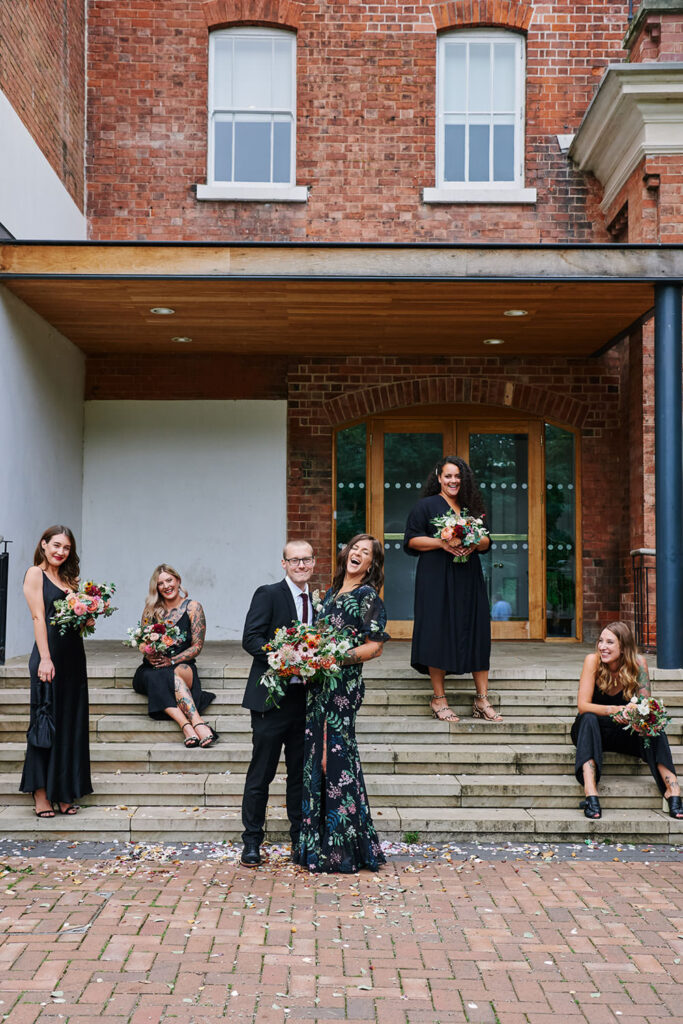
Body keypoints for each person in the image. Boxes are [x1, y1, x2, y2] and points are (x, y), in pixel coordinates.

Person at [299, 533, 389, 874]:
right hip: (318, 686)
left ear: (370, 565)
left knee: (335, 758)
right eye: (355, 548)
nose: (358, 554)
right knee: (316, 759)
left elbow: (375, 646)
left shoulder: (367, 596)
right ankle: (317, 846)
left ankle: (342, 850)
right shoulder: (331, 592)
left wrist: (336, 658)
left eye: (366, 553)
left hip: (342, 686)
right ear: (346, 554)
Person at [403, 456, 501, 723]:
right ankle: (439, 698)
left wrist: (473, 540)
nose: (453, 481)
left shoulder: (471, 507)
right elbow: (411, 540)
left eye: (458, 476)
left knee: (477, 629)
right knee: (438, 630)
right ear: (438, 477)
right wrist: (442, 542)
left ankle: (482, 699)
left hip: (468, 576)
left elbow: (487, 541)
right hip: (435, 577)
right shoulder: (426, 506)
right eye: (448, 476)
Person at [240, 540, 316, 867]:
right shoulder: (268, 593)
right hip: (271, 699)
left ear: (313, 562)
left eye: (306, 560)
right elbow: (251, 638)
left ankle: (299, 840)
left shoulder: (318, 600)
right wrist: (283, 657)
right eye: (294, 560)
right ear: (283, 564)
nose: (301, 565)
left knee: (299, 775)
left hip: (305, 700)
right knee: (262, 773)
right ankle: (252, 841)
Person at [572, 621, 683, 820]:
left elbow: (646, 706)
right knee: (588, 717)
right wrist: (615, 710)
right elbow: (583, 706)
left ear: (623, 647)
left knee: (652, 723)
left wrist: (635, 714)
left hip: (624, 731)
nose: (602, 647)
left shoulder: (639, 663)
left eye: (609, 642)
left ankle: (672, 789)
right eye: (600, 641)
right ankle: (591, 793)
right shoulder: (593, 661)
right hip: (592, 730)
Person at [20, 525, 92, 817]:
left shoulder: (69, 579)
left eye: (66, 548)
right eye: (57, 545)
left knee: (70, 723)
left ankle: (64, 790)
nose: (61, 552)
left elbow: (79, 625)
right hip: (49, 657)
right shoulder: (34, 574)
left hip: (74, 658)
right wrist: (46, 658)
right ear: (44, 544)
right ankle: (40, 793)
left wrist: (88, 615)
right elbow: (39, 617)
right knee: (45, 721)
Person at [132, 565, 216, 748]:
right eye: (160, 583)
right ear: (156, 587)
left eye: (169, 580)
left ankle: (190, 726)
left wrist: (171, 660)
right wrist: (148, 653)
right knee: (159, 675)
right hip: (151, 668)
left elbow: (197, 647)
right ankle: (194, 724)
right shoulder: (150, 609)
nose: (166, 586)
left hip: (182, 665)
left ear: (178, 581)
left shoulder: (193, 608)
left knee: (169, 675)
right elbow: (142, 641)